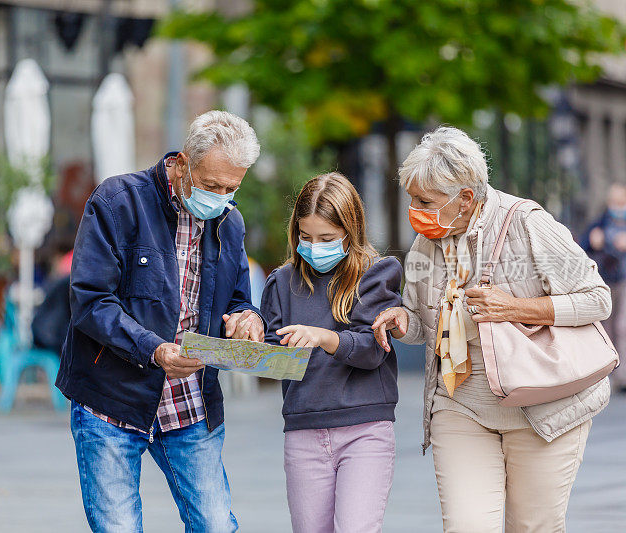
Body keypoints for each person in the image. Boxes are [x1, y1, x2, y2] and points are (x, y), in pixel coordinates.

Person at [371, 127, 611, 532]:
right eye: (411, 198)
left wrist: (516, 307)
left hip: (542, 405)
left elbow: (597, 298)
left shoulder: (529, 224)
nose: (414, 210)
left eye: (424, 201)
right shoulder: (426, 244)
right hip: (459, 402)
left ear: (465, 199)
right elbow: (419, 323)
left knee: (532, 527)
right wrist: (402, 321)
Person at [56, 110, 265, 532]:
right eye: (211, 186)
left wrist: (248, 319)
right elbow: (90, 301)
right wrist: (153, 349)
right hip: (110, 399)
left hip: (189, 402)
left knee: (216, 526)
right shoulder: (118, 201)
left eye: (232, 188)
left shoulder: (231, 221)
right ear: (183, 162)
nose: (221, 197)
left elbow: (241, 297)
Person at [261, 173, 402, 533]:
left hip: (365, 429)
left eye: (326, 238)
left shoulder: (377, 274)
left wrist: (324, 337)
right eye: (305, 238)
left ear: (350, 232)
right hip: (303, 428)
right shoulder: (280, 282)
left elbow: (373, 350)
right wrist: (248, 339)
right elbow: (277, 359)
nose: (314, 246)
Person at [581, 183, 626, 390]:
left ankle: (622, 375)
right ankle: (607, 371)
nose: (617, 206)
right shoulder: (600, 222)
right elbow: (582, 248)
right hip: (606, 279)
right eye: (614, 201)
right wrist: (593, 242)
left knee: (622, 326)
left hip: (624, 280)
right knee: (606, 326)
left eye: (621, 201)